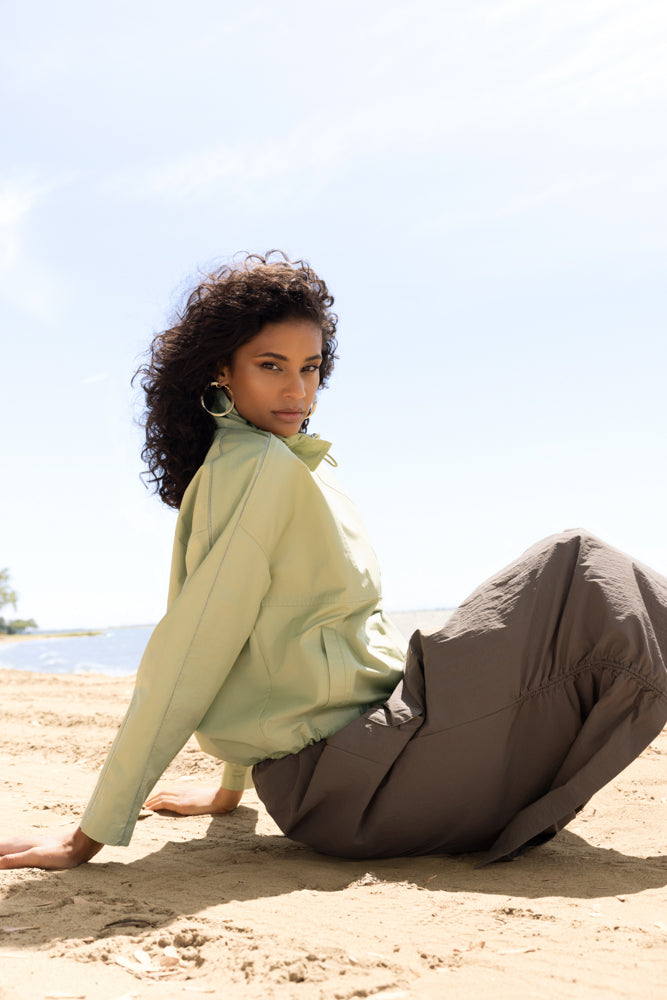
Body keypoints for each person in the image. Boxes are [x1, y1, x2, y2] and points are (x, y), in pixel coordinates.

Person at [2, 252, 666, 872]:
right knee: (577, 568)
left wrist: (229, 792)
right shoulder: (256, 471)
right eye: (271, 365)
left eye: (310, 366)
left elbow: (261, 643)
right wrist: (90, 833)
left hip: (378, 745)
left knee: (585, 579)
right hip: (358, 781)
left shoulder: (287, 465)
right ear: (219, 372)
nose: (298, 390)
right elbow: (195, 649)